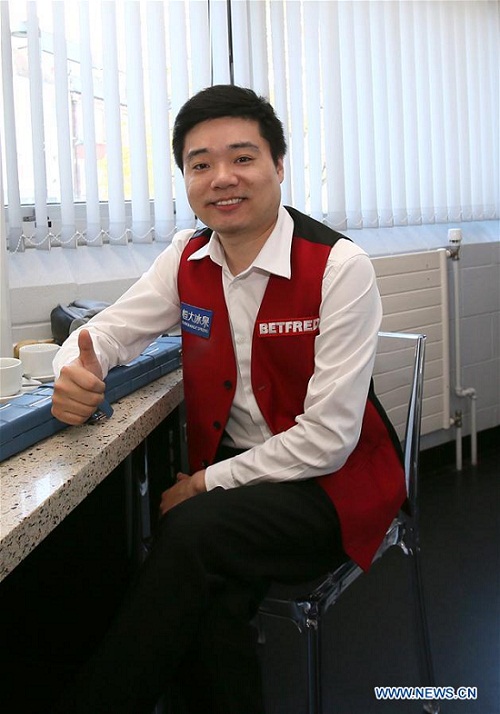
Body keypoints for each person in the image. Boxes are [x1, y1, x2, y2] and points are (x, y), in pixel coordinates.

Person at [51, 84, 406, 714]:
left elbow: (328, 440)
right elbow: (104, 332)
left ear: (277, 166)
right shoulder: (185, 258)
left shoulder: (338, 266)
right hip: (235, 488)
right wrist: (70, 368)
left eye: (242, 158)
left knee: (189, 533)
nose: (222, 178)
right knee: (208, 596)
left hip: (331, 486)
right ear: (185, 179)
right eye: (200, 164)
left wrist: (207, 483)